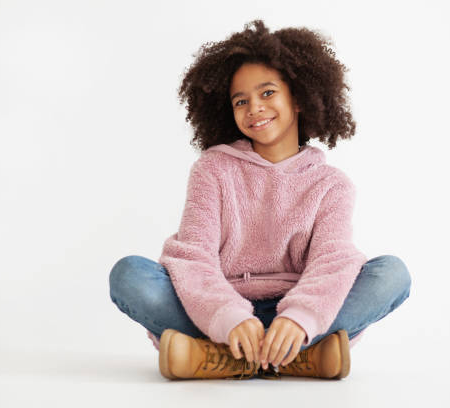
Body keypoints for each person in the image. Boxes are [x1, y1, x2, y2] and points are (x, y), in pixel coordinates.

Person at [109, 20, 411, 380]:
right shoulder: (212, 170)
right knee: (130, 274)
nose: (254, 108)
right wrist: (229, 317)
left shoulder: (332, 185)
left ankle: (219, 358)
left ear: (298, 97)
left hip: (296, 319)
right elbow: (193, 257)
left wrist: (299, 319)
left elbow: (332, 262)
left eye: (267, 93)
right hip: (218, 314)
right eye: (241, 100)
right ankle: (298, 360)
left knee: (391, 274)